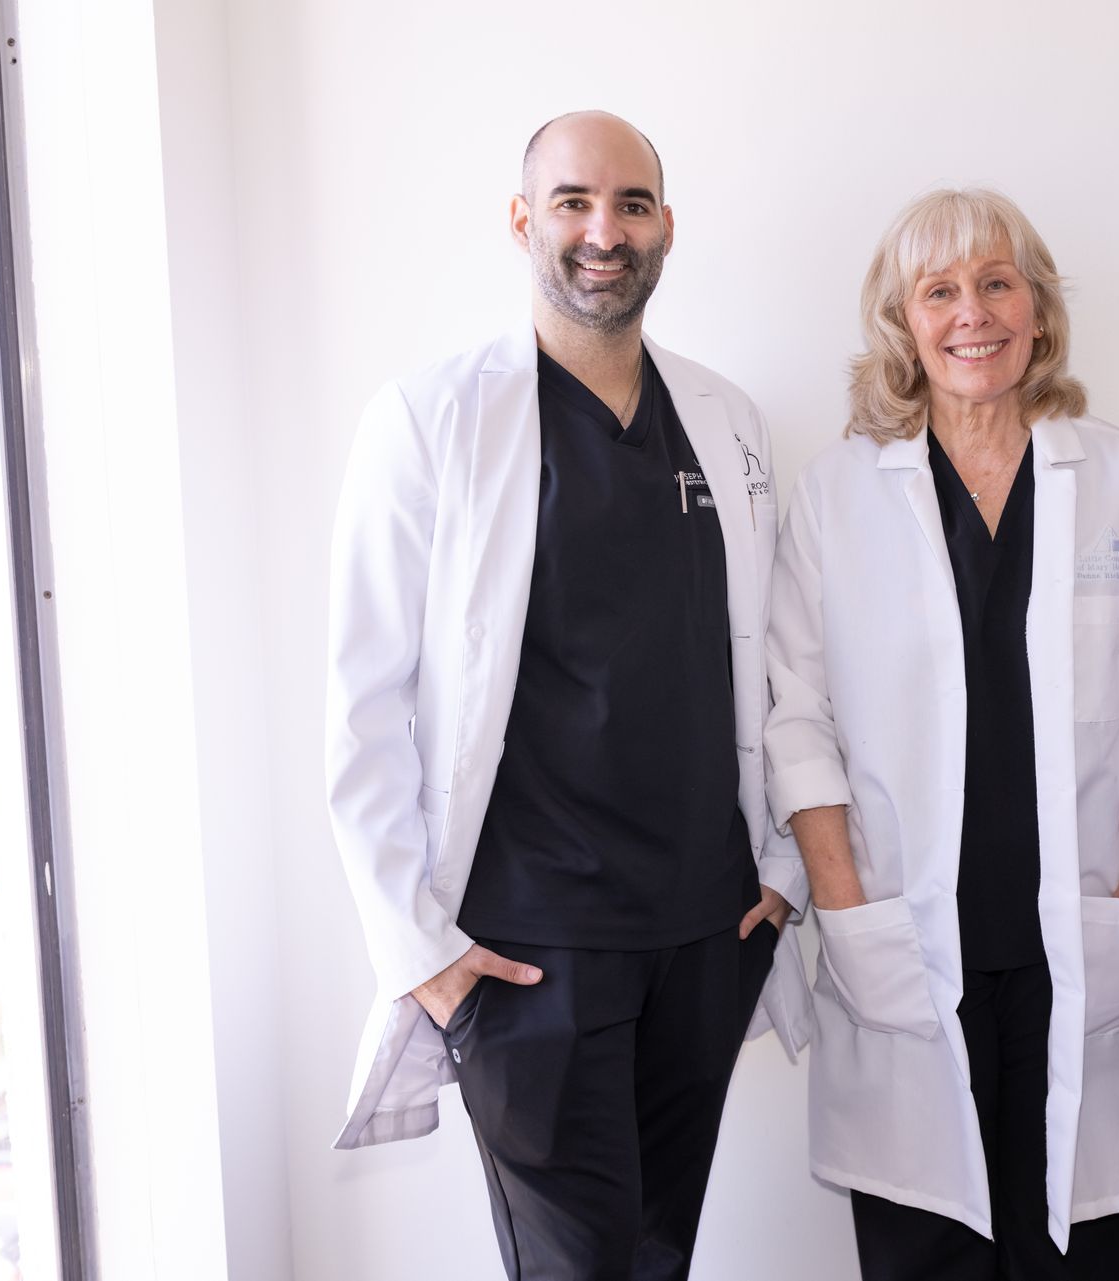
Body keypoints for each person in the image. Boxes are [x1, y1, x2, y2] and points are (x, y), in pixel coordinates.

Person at [323, 109, 809, 1281]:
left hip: (703, 933)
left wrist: (780, 876)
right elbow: (362, 700)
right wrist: (415, 950)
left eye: (632, 205)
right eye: (576, 202)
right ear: (523, 220)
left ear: (667, 228)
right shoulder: (432, 420)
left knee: (657, 1259)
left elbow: (776, 659)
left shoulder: (723, 419)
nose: (605, 231)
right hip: (532, 953)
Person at [763, 188, 1119, 1281]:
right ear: (903, 324)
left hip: (1082, 942)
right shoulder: (837, 498)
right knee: (926, 1257)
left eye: (998, 282)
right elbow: (795, 721)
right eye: (940, 289)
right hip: (908, 952)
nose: (973, 312)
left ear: (1041, 311)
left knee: (1078, 1255)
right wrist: (851, 908)